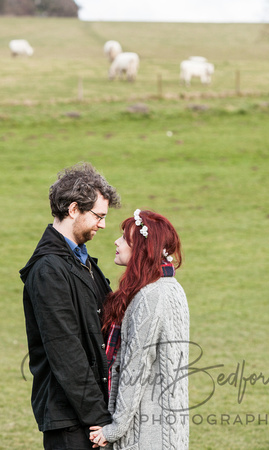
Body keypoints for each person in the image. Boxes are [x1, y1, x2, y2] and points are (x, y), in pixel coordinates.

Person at [20, 162, 121, 450]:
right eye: (98, 216)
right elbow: (66, 351)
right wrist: (100, 417)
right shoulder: (49, 270)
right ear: (74, 209)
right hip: (71, 421)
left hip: (87, 416)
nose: (102, 225)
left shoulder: (82, 262)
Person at [90, 209, 190, 449]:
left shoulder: (150, 296)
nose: (117, 241)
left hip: (146, 434)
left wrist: (115, 429)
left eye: (125, 239)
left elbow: (135, 369)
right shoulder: (172, 288)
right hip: (168, 430)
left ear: (142, 250)